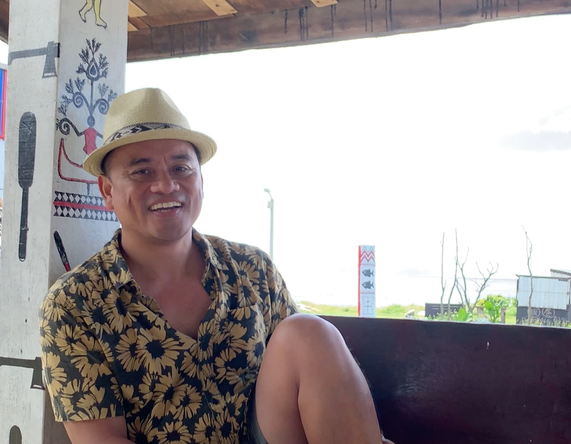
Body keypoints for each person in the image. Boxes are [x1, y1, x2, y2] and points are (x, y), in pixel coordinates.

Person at [40, 88, 393, 444]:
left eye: (181, 168)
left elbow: (309, 378)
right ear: (107, 191)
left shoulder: (254, 270)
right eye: (142, 171)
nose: (166, 185)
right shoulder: (74, 303)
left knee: (310, 333)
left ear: (200, 181)